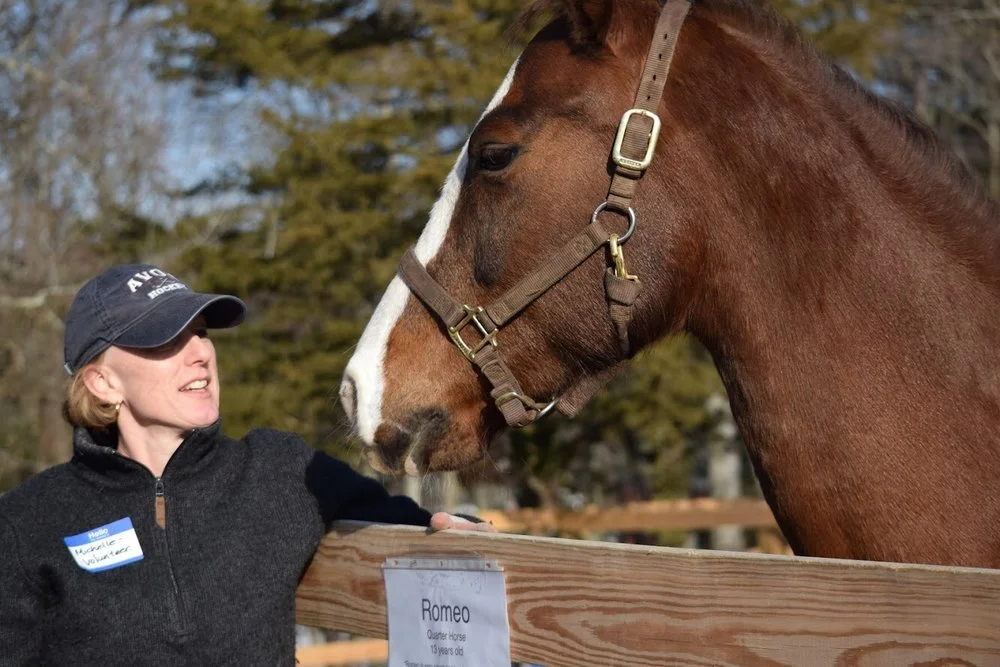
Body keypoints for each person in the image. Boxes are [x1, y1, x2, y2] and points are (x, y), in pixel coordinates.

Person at [0, 263, 492, 666]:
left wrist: (449, 532)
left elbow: (413, 529)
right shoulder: (29, 522)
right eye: (166, 340)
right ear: (103, 383)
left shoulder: (280, 472)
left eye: (200, 333)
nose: (200, 353)